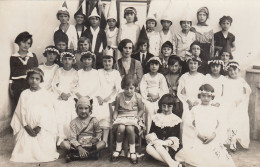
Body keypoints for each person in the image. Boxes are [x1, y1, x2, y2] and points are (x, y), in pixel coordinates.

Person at [176, 84, 236, 167]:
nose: (206, 98)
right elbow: (189, 125)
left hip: (211, 137)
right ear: (199, 96)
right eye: (203, 96)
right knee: (195, 156)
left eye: (208, 96)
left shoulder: (215, 109)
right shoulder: (195, 109)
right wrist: (198, 135)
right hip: (198, 137)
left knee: (218, 159)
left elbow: (220, 125)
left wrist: (213, 136)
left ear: (212, 97)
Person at [10, 68, 59, 162]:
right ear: (28, 79)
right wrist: (25, 126)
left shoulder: (46, 94)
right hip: (27, 126)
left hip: (42, 126)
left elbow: (48, 112)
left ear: (41, 80)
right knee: (23, 151)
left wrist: (40, 126)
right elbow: (20, 111)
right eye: (32, 78)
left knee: (44, 149)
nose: (34, 81)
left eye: (37, 79)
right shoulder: (24, 94)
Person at [60, 97, 106, 163]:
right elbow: (72, 138)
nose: (83, 111)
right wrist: (80, 148)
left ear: (90, 109)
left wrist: (96, 138)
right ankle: (91, 155)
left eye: (86, 108)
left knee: (103, 143)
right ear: (77, 109)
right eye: (80, 108)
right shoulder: (73, 122)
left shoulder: (94, 120)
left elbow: (99, 132)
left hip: (90, 145)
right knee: (63, 144)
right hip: (78, 146)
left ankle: (75, 157)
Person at [111, 75, 144, 164]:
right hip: (121, 117)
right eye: (126, 88)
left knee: (129, 128)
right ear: (123, 88)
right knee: (121, 128)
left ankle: (132, 151)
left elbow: (141, 109)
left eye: (131, 88)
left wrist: (138, 116)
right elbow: (116, 110)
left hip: (133, 117)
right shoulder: (119, 96)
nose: (129, 91)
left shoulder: (138, 96)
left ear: (135, 88)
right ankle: (118, 149)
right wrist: (114, 116)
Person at [92, 48, 122, 147]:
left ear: (113, 62)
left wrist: (109, 97)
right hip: (99, 96)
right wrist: (98, 96)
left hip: (111, 97)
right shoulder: (98, 72)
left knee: (108, 108)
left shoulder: (116, 73)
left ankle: (105, 140)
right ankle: (98, 138)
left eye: (109, 61)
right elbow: (95, 85)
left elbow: (117, 88)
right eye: (105, 61)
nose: (107, 63)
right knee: (97, 107)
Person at [146, 94, 183, 167]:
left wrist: (164, 143)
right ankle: (173, 163)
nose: (166, 109)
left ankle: (170, 162)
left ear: (173, 107)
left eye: (169, 106)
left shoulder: (176, 119)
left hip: (169, 146)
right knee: (148, 148)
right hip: (156, 146)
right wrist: (156, 140)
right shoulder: (156, 117)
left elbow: (176, 136)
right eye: (164, 106)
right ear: (160, 106)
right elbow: (151, 132)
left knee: (159, 146)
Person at [52, 50, 79, 146]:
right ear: (61, 60)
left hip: (71, 96)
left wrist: (69, 94)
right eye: (65, 59)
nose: (67, 61)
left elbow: (76, 86)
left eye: (69, 59)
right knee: (58, 110)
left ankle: (70, 136)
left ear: (73, 61)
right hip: (60, 95)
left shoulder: (75, 72)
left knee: (70, 110)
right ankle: (60, 137)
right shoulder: (58, 71)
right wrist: (61, 93)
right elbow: (54, 84)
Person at [177, 55, 204, 148]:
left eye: (195, 63)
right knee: (186, 118)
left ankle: (197, 141)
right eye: (191, 63)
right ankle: (185, 142)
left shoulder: (202, 77)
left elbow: (204, 92)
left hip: (199, 101)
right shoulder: (184, 77)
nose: (193, 66)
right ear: (188, 64)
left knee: (198, 118)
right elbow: (180, 92)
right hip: (186, 101)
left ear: (198, 65)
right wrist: (188, 101)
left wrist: (198, 101)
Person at [223, 61, 251, 152]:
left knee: (235, 123)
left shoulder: (241, 81)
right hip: (227, 104)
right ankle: (228, 140)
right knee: (228, 122)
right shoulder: (225, 79)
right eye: (230, 70)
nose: (232, 72)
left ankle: (233, 141)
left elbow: (246, 92)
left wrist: (240, 99)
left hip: (237, 105)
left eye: (234, 70)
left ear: (238, 70)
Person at [140, 57, 169, 134]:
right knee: (149, 110)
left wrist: (157, 96)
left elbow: (164, 89)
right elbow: (142, 88)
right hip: (147, 98)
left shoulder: (161, 76)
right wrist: (147, 96)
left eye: (156, 64)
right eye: (152, 64)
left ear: (159, 66)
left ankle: (158, 133)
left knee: (157, 109)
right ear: (149, 66)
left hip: (158, 98)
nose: (154, 66)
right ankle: (148, 133)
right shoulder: (145, 76)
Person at [9, 31, 38, 106]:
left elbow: (37, 72)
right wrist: (10, 86)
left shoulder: (32, 56)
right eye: (24, 42)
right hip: (18, 85)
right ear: (19, 42)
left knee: (30, 105)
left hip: (30, 84)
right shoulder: (14, 57)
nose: (26, 45)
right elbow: (12, 72)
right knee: (19, 105)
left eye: (28, 43)